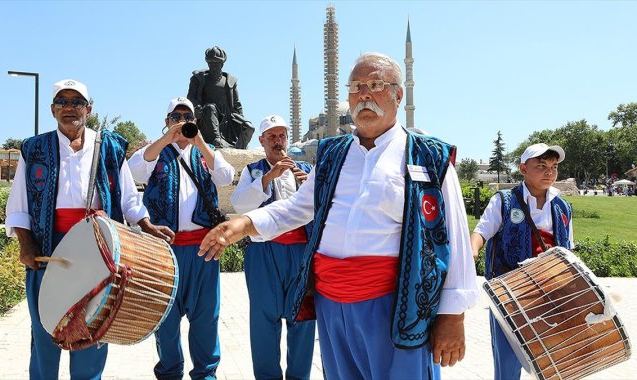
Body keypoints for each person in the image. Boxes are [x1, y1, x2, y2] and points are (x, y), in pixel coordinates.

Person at [198, 52, 479, 379]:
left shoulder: (429, 156)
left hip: (398, 306)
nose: (365, 95)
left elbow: (455, 238)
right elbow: (298, 208)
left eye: (375, 85)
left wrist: (452, 315)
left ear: (398, 95)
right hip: (333, 308)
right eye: (357, 87)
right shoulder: (333, 154)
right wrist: (245, 223)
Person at [5, 79, 174, 380]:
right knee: (46, 329)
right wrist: (25, 244)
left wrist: (146, 225)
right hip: (47, 246)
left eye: (76, 102)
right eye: (62, 102)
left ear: (89, 109)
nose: (69, 108)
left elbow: (129, 197)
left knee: (93, 326)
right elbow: (18, 204)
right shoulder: (34, 149)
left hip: (97, 249)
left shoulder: (109, 146)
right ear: (52, 109)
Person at [128, 97, 235, 380]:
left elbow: (225, 176)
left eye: (186, 116)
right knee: (166, 318)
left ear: (195, 120)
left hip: (203, 248)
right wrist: (166, 139)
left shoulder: (206, 151)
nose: (181, 121)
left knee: (205, 317)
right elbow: (134, 170)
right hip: (164, 250)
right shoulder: (155, 152)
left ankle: (206, 374)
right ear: (166, 121)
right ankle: (170, 372)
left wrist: (199, 142)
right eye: (175, 117)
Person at [470, 143, 574, 380]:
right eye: (541, 166)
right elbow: (482, 232)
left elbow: (568, 249)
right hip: (509, 292)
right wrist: (472, 252)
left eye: (554, 167)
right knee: (507, 360)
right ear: (523, 168)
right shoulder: (504, 201)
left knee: (552, 360)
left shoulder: (562, 206)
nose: (549, 172)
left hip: (549, 293)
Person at [230, 115, 315, 380]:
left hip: (300, 252)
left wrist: (307, 185)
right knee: (263, 319)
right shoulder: (252, 170)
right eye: (272, 137)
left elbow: (323, 209)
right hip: (264, 252)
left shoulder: (306, 170)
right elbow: (239, 205)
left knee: (302, 317)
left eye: (282, 136)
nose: (278, 142)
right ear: (262, 141)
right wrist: (267, 178)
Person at [187, 45, 254, 149]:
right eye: (211, 63)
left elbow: (237, 104)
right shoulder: (199, 79)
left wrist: (241, 120)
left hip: (228, 118)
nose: (213, 66)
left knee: (249, 128)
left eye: (217, 64)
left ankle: (239, 148)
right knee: (210, 107)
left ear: (222, 64)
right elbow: (191, 98)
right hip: (208, 118)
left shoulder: (230, 81)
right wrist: (197, 108)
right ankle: (216, 140)